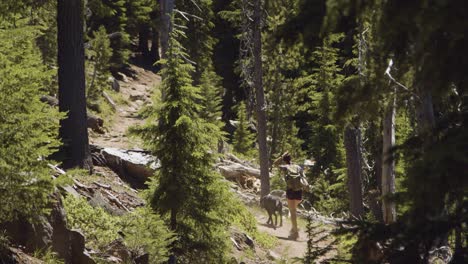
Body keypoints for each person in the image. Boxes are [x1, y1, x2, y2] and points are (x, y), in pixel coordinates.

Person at [273, 151, 303, 240]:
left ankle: (295, 232)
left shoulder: (285, 167)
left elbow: (275, 163)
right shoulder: (298, 167)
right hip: (299, 191)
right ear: (291, 159)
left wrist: (281, 156)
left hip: (290, 191)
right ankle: (293, 229)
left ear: (284, 160)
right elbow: (303, 177)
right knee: (294, 211)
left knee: (292, 211)